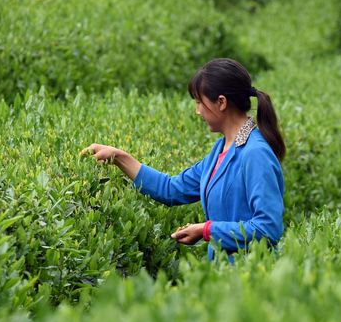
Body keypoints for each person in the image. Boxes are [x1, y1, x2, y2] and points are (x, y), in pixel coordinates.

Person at [81, 57, 286, 260]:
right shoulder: (221, 149)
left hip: (251, 279)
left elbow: (268, 229)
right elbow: (172, 189)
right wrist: (118, 157)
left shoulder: (255, 153)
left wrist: (207, 230)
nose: (198, 111)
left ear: (221, 102)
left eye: (199, 102)